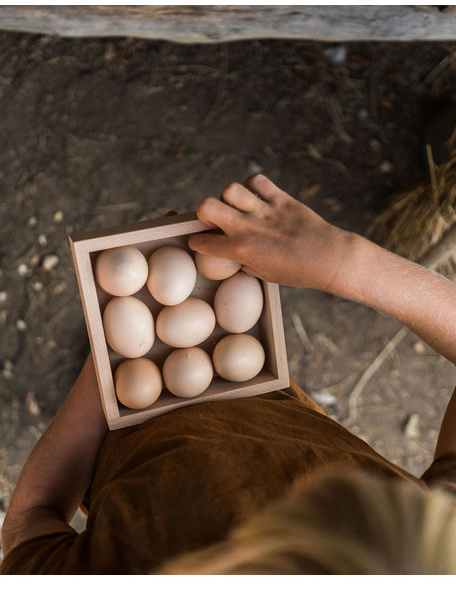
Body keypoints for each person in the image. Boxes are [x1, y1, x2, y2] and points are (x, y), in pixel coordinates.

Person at [2, 173, 456, 575]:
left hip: (126, 439)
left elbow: (30, 524)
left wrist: (117, 364)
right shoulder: (431, 554)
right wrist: (345, 262)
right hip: (263, 398)